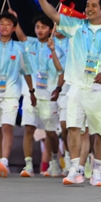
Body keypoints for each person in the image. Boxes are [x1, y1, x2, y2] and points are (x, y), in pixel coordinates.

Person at [34, 0, 101, 187]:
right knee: (73, 127)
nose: (89, 8)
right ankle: (75, 168)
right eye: (87, 5)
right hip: (76, 86)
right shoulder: (75, 26)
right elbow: (54, 15)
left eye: (93, 6)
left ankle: (97, 171)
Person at [0, 11, 35, 177]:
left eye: (8, 24)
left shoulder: (20, 49)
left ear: (14, 27)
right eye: (2, 24)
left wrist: (31, 91)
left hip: (11, 93)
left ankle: (4, 161)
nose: (5, 26)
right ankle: (0, 158)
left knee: (7, 126)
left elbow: (27, 71)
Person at [20, 15, 64, 178]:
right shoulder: (29, 44)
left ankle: (54, 160)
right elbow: (20, 35)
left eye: (44, 27)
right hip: (30, 95)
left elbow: (62, 72)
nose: (40, 30)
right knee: (29, 128)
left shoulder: (58, 48)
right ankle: (29, 164)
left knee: (51, 133)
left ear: (51, 29)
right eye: (37, 27)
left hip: (49, 97)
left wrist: (58, 89)